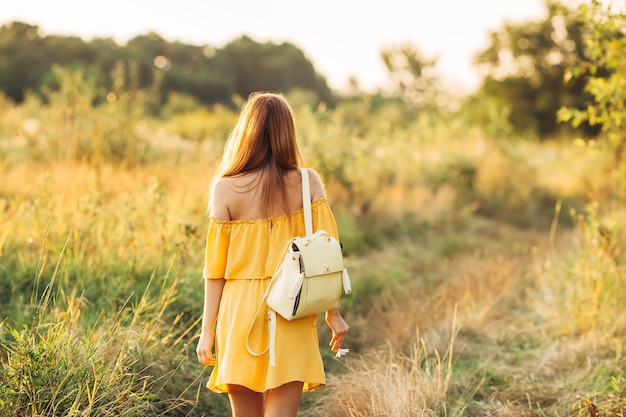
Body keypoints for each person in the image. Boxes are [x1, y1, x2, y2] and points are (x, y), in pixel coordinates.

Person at [196, 92, 349, 417]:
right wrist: (332, 313)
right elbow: (327, 256)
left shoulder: (224, 188)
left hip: (238, 310)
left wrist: (207, 328)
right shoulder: (308, 182)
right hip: (291, 307)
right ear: (287, 132)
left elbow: (215, 270)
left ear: (246, 131)